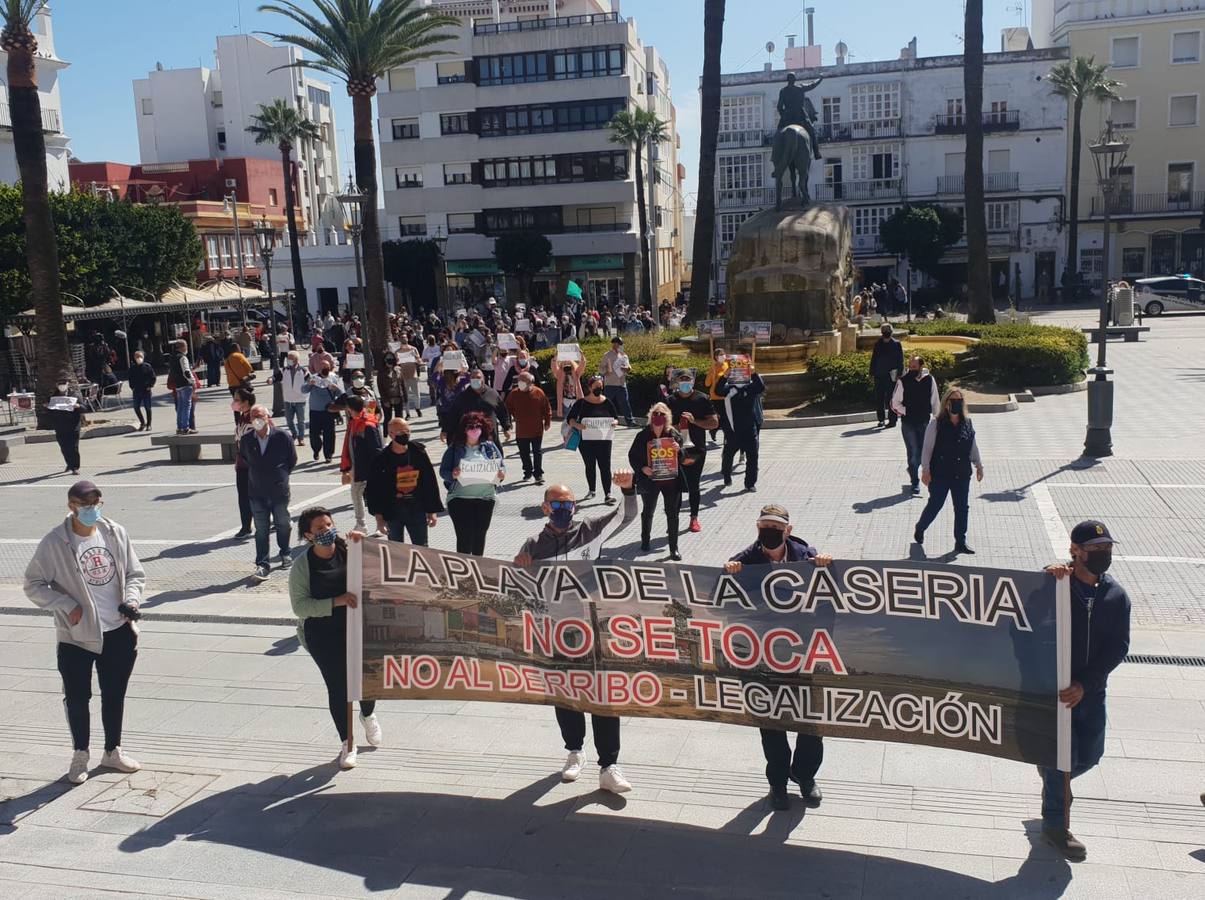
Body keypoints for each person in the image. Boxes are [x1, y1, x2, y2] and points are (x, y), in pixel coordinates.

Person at [513, 470, 638, 793]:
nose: (563, 509)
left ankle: (609, 765)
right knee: (565, 693)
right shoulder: (534, 545)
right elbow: (522, 588)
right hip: (557, 630)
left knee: (602, 695)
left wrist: (628, 488)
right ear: (545, 508)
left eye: (568, 504)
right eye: (556, 504)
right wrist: (520, 567)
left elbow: (626, 515)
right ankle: (574, 752)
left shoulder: (591, 531)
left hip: (594, 627)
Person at [24, 480, 145, 784]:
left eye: (96, 503)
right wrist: (66, 604)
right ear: (71, 506)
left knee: (114, 694)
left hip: (117, 629)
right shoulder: (55, 542)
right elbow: (33, 584)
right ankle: (80, 755)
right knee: (77, 697)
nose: (91, 509)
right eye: (85, 504)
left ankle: (112, 751)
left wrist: (131, 599)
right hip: (76, 635)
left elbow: (135, 573)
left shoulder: (114, 532)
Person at [724, 504, 831, 810]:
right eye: (763, 527)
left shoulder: (808, 558)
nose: (769, 533)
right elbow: (724, 603)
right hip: (763, 659)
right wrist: (728, 575)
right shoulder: (743, 563)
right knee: (771, 727)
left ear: (788, 530)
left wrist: (826, 567)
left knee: (811, 724)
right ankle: (778, 783)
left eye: (775, 527)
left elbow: (831, 597)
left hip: (803, 656)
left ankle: (805, 775)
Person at [1040, 521, 1131, 860]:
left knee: (1088, 756)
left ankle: (1051, 777)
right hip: (1055, 692)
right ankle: (1055, 825)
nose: (1103, 555)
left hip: (1091, 693)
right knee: (1062, 760)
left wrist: (1086, 683)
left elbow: (1119, 646)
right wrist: (1044, 575)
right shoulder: (1055, 586)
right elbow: (1024, 619)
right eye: (1095, 550)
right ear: (1074, 550)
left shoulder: (1116, 596)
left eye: (1107, 549)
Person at [289, 508, 381, 770]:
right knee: (339, 687)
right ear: (308, 535)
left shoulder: (348, 549)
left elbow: (377, 567)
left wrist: (363, 544)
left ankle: (368, 714)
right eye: (319, 529)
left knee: (365, 679)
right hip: (323, 635)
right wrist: (336, 602)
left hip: (359, 628)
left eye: (329, 525)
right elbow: (300, 606)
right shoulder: (302, 567)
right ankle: (347, 742)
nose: (326, 531)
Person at [913, 389, 983, 555]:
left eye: (959, 400)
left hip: (961, 474)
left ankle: (960, 541)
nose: (956, 403)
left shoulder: (968, 423)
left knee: (962, 508)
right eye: (953, 400)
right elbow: (927, 450)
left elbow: (972, 447)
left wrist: (979, 466)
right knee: (935, 504)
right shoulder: (935, 424)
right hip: (940, 474)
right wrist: (925, 470)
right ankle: (920, 527)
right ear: (946, 402)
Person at [239, 404, 297, 581]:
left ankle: (285, 553)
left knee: (283, 523)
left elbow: (292, 460)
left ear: (267, 417)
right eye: (253, 416)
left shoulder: (282, 436)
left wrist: (281, 475)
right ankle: (262, 563)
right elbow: (245, 458)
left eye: (260, 416)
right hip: (257, 491)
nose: (256, 419)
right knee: (261, 529)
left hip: (279, 490)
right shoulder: (247, 439)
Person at [365, 417, 443, 544]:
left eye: (407, 430)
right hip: (393, 511)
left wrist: (432, 511)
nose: (405, 434)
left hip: (417, 509)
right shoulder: (381, 459)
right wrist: (379, 519)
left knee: (422, 548)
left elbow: (429, 482)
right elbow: (373, 490)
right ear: (391, 434)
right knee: (395, 549)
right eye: (400, 432)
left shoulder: (418, 452)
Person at [439, 411, 506, 555]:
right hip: (459, 499)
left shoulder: (490, 447)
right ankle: (463, 571)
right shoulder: (455, 448)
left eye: (478, 426)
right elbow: (443, 471)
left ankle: (478, 569)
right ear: (464, 429)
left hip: (485, 499)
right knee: (464, 537)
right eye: (471, 426)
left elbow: (501, 466)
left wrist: (501, 474)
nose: (474, 429)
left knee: (479, 536)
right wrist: (453, 474)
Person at [627, 401, 685, 560]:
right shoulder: (643, 435)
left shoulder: (674, 434)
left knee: (672, 513)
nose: (658, 417)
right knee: (648, 510)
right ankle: (645, 540)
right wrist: (642, 468)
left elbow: (683, 458)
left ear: (667, 418)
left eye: (662, 414)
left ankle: (674, 548)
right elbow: (632, 456)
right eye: (655, 414)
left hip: (670, 480)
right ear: (651, 417)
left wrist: (678, 450)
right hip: (650, 480)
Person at [666, 368, 719, 533]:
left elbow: (714, 423)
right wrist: (673, 427)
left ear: (693, 382)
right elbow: (660, 424)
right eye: (682, 381)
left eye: (688, 381)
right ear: (677, 383)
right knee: (676, 486)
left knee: (693, 485)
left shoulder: (701, 399)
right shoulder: (670, 400)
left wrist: (694, 421)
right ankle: (673, 519)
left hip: (696, 449)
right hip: (674, 449)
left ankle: (694, 518)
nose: (685, 384)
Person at [566, 374, 620, 504]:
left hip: (604, 440)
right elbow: (570, 419)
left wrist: (615, 423)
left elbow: (616, 417)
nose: (599, 389)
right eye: (596, 386)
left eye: (600, 387)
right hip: (586, 441)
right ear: (590, 387)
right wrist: (577, 425)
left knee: (605, 466)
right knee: (590, 465)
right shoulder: (582, 403)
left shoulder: (607, 402)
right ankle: (592, 490)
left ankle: (608, 493)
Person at [891, 355, 941, 496]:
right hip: (908, 424)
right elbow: (895, 403)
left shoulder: (929, 380)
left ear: (920, 366)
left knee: (926, 452)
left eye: (914, 366)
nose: (912, 369)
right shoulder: (903, 381)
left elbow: (935, 400)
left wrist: (938, 419)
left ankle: (914, 470)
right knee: (913, 453)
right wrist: (907, 411)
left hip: (925, 422)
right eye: (910, 366)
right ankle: (914, 481)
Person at [716, 362, 766, 491]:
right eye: (736, 372)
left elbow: (760, 387)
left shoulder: (750, 387)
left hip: (749, 429)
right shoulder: (729, 389)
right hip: (733, 429)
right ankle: (726, 476)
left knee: (753, 457)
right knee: (728, 455)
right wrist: (725, 376)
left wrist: (754, 373)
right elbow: (718, 390)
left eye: (741, 372)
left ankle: (750, 483)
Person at [338, 394, 383, 533]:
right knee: (358, 495)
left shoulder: (366, 425)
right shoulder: (357, 421)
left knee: (371, 496)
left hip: (366, 469)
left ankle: (375, 524)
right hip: (358, 468)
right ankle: (364, 524)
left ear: (349, 409)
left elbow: (376, 449)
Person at [440, 367, 511, 446]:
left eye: (478, 377)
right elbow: (453, 414)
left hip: (490, 436)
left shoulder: (492, 394)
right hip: (470, 439)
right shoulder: (463, 396)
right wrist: (445, 430)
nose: (475, 380)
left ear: (483, 379)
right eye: (473, 378)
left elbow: (502, 412)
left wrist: (506, 428)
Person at [505, 370, 552, 485]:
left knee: (537, 452)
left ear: (531, 382)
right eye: (519, 380)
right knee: (524, 453)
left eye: (523, 381)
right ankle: (527, 471)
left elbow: (546, 408)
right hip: (521, 430)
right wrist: (508, 423)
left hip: (537, 429)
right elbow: (507, 409)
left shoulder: (538, 392)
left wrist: (548, 421)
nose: (520, 383)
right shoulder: (514, 394)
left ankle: (538, 474)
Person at [302, 365, 341, 463]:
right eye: (323, 367)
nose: (325, 369)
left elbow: (340, 395)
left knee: (329, 434)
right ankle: (316, 449)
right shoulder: (313, 377)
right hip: (315, 411)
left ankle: (328, 455)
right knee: (314, 434)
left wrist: (336, 389)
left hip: (329, 411)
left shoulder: (333, 377)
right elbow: (303, 390)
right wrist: (310, 384)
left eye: (326, 367)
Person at [231, 388, 256, 539]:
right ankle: (246, 526)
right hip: (242, 464)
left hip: (255, 465)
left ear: (246, 402)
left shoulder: (256, 416)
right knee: (243, 496)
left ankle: (275, 520)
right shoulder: (242, 417)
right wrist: (237, 459)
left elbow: (267, 435)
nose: (234, 403)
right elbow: (238, 441)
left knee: (261, 495)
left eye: (237, 400)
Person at [869, 324, 903, 429]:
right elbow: (874, 359)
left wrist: (899, 374)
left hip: (891, 375)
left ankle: (892, 420)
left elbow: (900, 360)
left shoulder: (897, 344)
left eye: (887, 331)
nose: (886, 333)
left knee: (891, 398)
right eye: (884, 331)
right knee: (879, 398)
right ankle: (881, 420)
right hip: (879, 374)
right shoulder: (878, 344)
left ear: (891, 332)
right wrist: (871, 373)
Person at [48, 379, 83, 475]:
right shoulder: (53, 396)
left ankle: (75, 467)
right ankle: (69, 464)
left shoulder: (74, 395)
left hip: (73, 425)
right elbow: (50, 411)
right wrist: (48, 407)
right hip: (60, 425)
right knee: (64, 447)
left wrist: (78, 406)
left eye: (64, 384)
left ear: (67, 384)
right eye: (60, 384)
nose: (62, 386)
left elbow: (85, 407)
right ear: (56, 385)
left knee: (73, 446)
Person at [600, 336, 636, 426]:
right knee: (607, 403)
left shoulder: (624, 355)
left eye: (618, 344)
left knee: (625, 404)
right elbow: (601, 367)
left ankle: (630, 422)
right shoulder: (607, 355)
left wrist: (626, 368)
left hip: (621, 384)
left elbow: (629, 367)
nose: (616, 345)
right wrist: (605, 372)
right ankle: (603, 420)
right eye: (614, 343)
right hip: (610, 383)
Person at [275, 351, 308, 446]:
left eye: (290, 358)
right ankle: (295, 434)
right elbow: (277, 377)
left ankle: (301, 438)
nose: (288, 360)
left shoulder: (303, 370)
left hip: (300, 399)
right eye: (287, 358)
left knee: (301, 421)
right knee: (289, 421)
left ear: (296, 360)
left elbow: (309, 381)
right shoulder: (285, 369)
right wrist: (271, 379)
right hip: (288, 399)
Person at [167, 341, 195, 435]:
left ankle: (179, 427)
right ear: (183, 347)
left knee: (180, 407)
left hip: (177, 385)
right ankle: (186, 427)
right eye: (186, 346)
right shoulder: (182, 357)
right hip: (185, 384)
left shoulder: (172, 357)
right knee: (187, 406)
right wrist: (192, 381)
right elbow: (186, 371)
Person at [704, 348, 729, 442]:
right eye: (720, 355)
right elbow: (707, 384)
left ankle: (727, 437)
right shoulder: (713, 368)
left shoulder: (728, 366)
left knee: (726, 418)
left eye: (724, 354)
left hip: (726, 396)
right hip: (715, 396)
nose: (723, 356)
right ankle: (713, 430)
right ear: (716, 357)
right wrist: (711, 374)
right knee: (719, 418)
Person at [127, 350, 156, 432]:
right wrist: (132, 387)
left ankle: (149, 424)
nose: (138, 358)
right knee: (136, 407)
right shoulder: (132, 368)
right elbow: (130, 379)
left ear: (143, 357)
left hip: (146, 390)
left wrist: (150, 386)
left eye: (140, 356)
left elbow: (153, 377)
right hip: (136, 391)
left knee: (148, 408)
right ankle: (142, 423)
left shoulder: (147, 366)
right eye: (137, 357)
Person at [395, 336, 423, 418]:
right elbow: (395, 364)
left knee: (416, 394)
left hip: (413, 375)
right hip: (403, 376)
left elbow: (419, 361)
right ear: (400, 340)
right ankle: (407, 413)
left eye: (405, 337)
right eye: (402, 337)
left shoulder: (413, 349)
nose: (404, 339)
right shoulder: (397, 352)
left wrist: (417, 358)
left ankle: (418, 408)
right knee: (405, 396)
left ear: (407, 339)